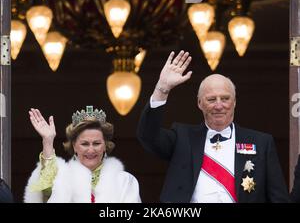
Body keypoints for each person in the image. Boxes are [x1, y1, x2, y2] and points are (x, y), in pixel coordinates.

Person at [137, 50, 289, 203]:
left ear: (234, 102)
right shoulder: (183, 137)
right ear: (199, 103)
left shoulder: (262, 143)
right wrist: (162, 88)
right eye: (211, 99)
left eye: (225, 98)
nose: (218, 105)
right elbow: (148, 136)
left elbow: (278, 198)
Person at [24, 106, 141, 203]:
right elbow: (46, 190)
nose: (91, 150)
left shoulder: (124, 180)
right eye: (84, 144)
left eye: (96, 143)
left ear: (105, 145)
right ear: (74, 146)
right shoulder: (63, 179)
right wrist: (48, 141)